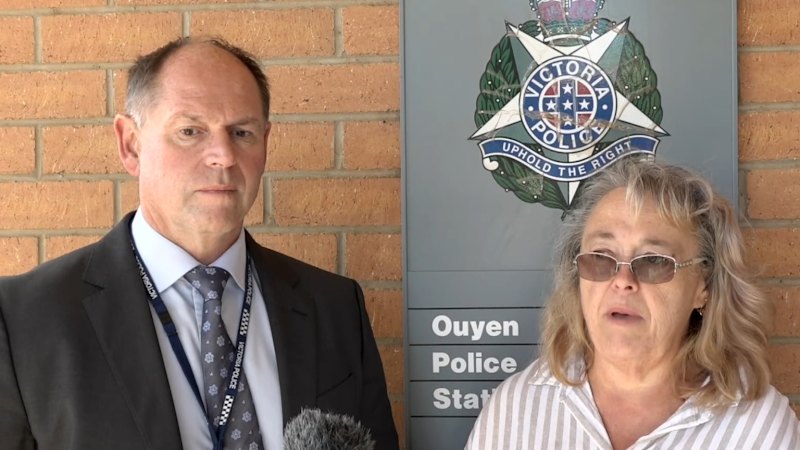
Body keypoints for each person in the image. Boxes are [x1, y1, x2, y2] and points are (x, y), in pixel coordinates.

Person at [0, 37, 398, 450]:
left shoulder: (334, 308)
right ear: (130, 144)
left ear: (265, 142)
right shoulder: (25, 320)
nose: (223, 156)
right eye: (190, 131)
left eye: (242, 132)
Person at [465, 157, 800, 449]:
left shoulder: (757, 427)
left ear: (704, 286)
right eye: (601, 256)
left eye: (654, 260)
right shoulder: (518, 407)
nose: (622, 280)